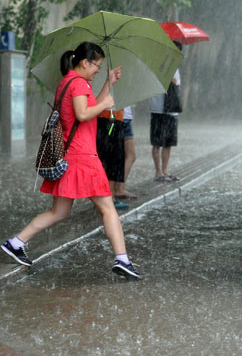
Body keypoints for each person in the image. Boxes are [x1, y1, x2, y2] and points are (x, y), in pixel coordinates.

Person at [1, 42, 141, 279]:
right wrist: (107, 104)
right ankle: (122, 259)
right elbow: (83, 114)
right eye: (97, 65)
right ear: (85, 62)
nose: (98, 70)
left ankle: (16, 242)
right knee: (108, 209)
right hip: (82, 157)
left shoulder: (69, 81)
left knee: (59, 212)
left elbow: (88, 107)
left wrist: (108, 84)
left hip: (71, 156)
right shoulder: (78, 83)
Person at [149, 41, 183, 182]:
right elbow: (153, 82)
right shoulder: (159, 64)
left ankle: (165, 169)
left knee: (168, 143)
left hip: (171, 110)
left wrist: (173, 82)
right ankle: (158, 172)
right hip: (158, 109)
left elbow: (177, 84)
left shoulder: (175, 66)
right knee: (157, 142)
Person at [96, 107, 129, 210]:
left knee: (112, 160)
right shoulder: (108, 92)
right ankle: (109, 198)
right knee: (112, 160)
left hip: (113, 119)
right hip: (109, 120)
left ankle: (108, 197)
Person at [114, 105, 137, 200]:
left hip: (121, 117)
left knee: (122, 156)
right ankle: (119, 188)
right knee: (129, 156)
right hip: (122, 118)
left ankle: (117, 188)